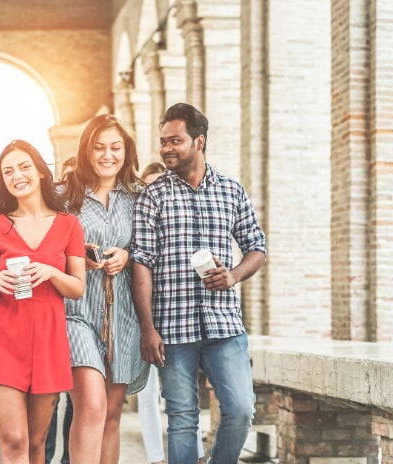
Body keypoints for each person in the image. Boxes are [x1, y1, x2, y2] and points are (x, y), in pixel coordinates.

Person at [131, 103, 267, 464]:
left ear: (199, 141)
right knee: (182, 420)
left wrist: (234, 274)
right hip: (172, 329)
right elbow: (141, 264)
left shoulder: (231, 191)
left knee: (240, 409)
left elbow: (257, 247)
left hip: (224, 323)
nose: (166, 149)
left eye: (175, 140)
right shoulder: (152, 196)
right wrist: (148, 329)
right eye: (163, 141)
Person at [0, 139, 86, 464]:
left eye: (23, 167)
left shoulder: (68, 225)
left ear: (39, 171)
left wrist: (51, 271)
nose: (16, 175)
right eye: (8, 171)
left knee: (36, 446)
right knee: (14, 442)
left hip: (48, 342)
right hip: (2, 340)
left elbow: (77, 287)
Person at [60, 114, 148, 464]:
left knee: (111, 416)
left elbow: (150, 250)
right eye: (99, 147)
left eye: (115, 147)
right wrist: (76, 254)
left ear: (126, 151)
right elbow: (48, 243)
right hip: (78, 313)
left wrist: (127, 254)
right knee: (90, 409)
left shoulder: (139, 197)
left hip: (123, 315)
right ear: (87, 151)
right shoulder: (65, 196)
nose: (107, 155)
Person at [136, 161, 205, 464]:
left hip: (175, 317)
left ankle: (198, 454)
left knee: (183, 394)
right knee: (147, 393)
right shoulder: (140, 217)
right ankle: (155, 458)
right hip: (141, 319)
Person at [44, 154, 77, 464]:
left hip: (78, 317)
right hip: (51, 317)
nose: (67, 185)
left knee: (75, 400)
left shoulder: (79, 218)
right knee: (50, 397)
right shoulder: (49, 213)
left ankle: (68, 458)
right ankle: (45, 456)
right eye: (64, 179)